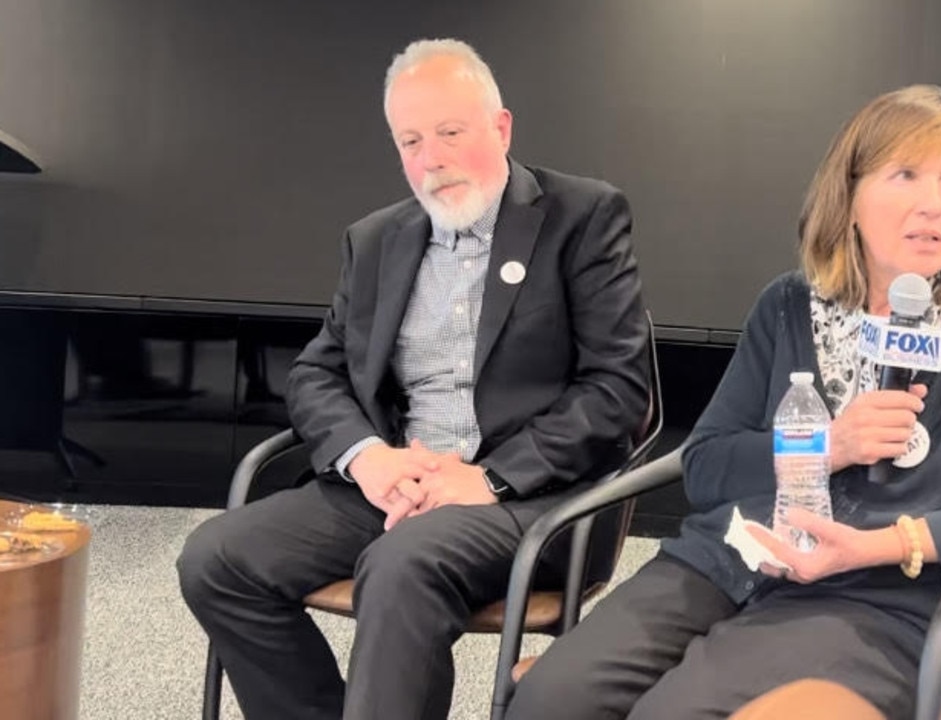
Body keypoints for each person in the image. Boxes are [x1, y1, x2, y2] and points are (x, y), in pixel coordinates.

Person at [507, 85, 941, 720]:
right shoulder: (786, 306)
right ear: (851, 196)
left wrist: (880, 544)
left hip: (875, 601)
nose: (935, 205)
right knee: (547, 700)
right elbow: (707, 467)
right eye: (907, 174)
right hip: (727, 562)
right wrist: (828, 445)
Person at [177, 38, 649, 720]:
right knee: (216, 560)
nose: (432, 158)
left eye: (450, 133)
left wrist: (486, 478)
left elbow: (617, 390)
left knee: (401, 564)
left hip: (529, 499)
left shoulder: (584, 217)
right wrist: (368, 458)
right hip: (395, 482)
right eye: (411, 141)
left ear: (501, 126)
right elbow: (318, 372)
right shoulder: (375, 239)